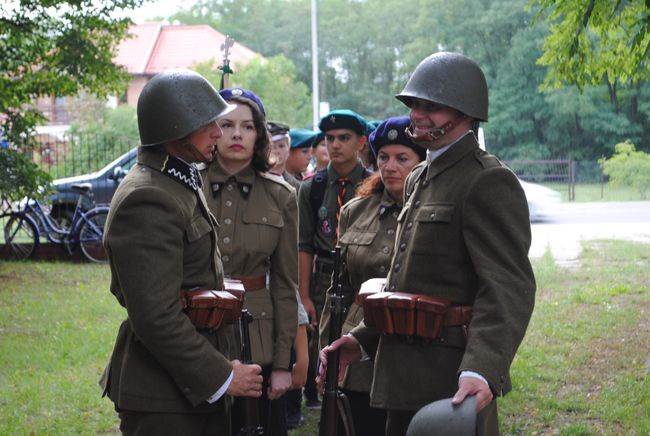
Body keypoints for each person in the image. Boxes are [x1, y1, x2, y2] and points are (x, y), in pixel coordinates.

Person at [318, 52, 536, 436]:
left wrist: (481, 369)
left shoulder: (486, 180)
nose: (417, 114)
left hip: (449, 383)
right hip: (401, 376)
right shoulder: (420, 176)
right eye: (414, 104)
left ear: (465, 114)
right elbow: (408, 286)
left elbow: (508, 286)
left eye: (431, 106)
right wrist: (361, 340)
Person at [100, 69, 263, 435]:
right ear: (175, 127)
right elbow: (155, 316)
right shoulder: (149, 196)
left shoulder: (177, 180)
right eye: (208, 124)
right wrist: (222, 375)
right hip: (166, 396)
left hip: (185, 387)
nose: (219, 134)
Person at [318, 116, 426, 436]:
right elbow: (338, 289)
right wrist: (326, 350)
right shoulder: (355, 210)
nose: (390, 166)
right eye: (383, 157)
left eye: (402, 158)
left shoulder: (432, 212)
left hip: (408, 345)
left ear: (422, 162)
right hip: (356, 352)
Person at [203, 87, 298, 436]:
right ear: (211, 130)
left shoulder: (281, 195)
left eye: (247, 126)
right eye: (226, 125)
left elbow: (287, 284)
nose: (237, 134)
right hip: (200, 335)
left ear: (260, 134)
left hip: (256, 339)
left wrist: (284, 363)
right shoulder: (188, 187)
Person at [297, 109, 371, 408]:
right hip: (324, 276)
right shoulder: (312, 187)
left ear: (361, 142)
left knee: (358, 340)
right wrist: (304, 295)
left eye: (344, 138)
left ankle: (356, 399)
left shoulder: (373, 184)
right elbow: (304, 245)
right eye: (329, 138)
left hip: (359, 276)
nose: (335, 145)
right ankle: (324, 397)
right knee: (323, 342)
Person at [267, 121, 301, 192]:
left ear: (288, 148)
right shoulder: (255, 183)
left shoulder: (297, 187)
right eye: (271, 146)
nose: (276, 151)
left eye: (281, 146)